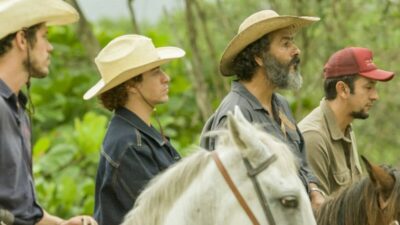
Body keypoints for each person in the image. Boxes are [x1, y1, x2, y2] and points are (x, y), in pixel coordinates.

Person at [200, 9, 325, 210]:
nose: (296, 50)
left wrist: (313, 189)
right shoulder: (235, 115)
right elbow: (233, 198)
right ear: (259, 57)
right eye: (286, 44)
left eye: (292, 42)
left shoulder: (281, 104)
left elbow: (301, 163)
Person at [0, 0, 98, 225]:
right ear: (22, 39)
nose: (50, 47)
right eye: (45, 36)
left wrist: (64, 224)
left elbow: (22, 209)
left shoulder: (18, 111)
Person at [83, 34, 185, 225]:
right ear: (131, 85)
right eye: (155, 72)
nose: (166, 78)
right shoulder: (128, 144)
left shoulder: (137, 132)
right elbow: (162, 217)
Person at [298, 47, 394, 195]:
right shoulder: (313, 138)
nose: (375, 96)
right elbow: (318, 215)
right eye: (368, 87)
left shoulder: (346, 128)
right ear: (342, 89)